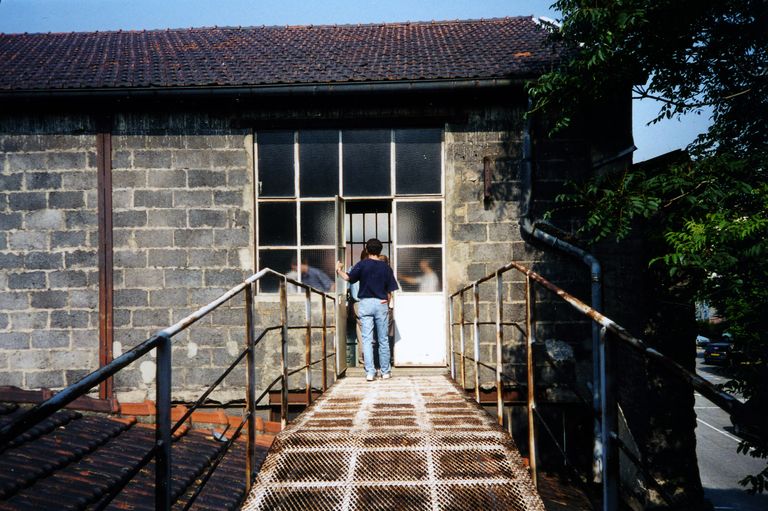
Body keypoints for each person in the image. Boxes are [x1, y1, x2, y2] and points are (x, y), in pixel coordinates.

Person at [336, 238, 399, 381]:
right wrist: (386, 301)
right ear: (380, 250)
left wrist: (338, 269)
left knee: (367, 339)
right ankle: (385, 372)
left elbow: (347, 278)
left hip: (365, 304)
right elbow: (391, 290)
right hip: (381, 303)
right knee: (383, 339)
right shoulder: (385, 267)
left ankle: (370, 372)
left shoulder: (362, 265)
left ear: (367, 249)